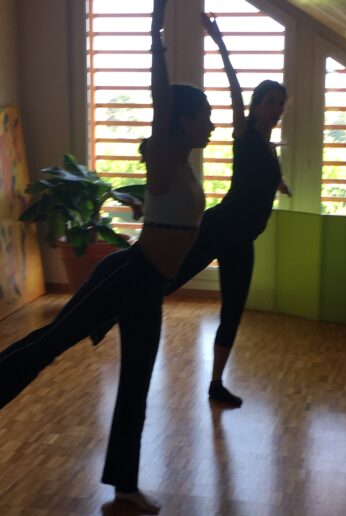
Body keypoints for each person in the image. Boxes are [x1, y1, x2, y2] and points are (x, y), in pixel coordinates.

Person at [0, 0, 214, 513]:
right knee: (48, 345)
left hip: (147, 286)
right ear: (182, 121)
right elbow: (161, 98)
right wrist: (156, 29)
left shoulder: (183, 164)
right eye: (204, 118)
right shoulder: (165, 154)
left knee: (136, 384)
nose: (211, 126)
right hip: (128, 275)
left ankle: (124, 490)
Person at [90, 13, 291, 409]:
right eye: (271, 102)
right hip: (220, 226)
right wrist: (219, 42)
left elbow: (263, 178)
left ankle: (216, 384)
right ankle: (108, 314)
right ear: (256, 106)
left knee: (233, 311)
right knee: (166, 281)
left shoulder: (270, 148)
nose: (277, 109)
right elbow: (234, 86)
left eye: (281, 104)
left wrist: (279, 182)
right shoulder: (245, 133)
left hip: (242, 240)